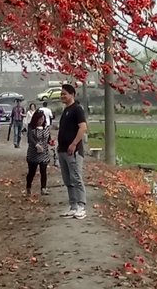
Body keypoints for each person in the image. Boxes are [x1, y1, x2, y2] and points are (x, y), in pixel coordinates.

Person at [57, 83, 87, 219]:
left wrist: (74, 144)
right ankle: (73, 205)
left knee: (76, 178)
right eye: (61, 94)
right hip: (62, 150)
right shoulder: (66, 110)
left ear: (72, 95)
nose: (62, 96)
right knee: (68, 179)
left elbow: (82, 128)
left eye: (65, 94)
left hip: (73, 151)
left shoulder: (77, 109)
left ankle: (81, 206)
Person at [25, 108, 51, 196]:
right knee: (32, 172)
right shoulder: (31, 127)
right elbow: (30, 138)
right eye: (39, 119)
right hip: (33, 153)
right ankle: (28, 187)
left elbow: (49, 139)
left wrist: (51, 142)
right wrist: (36, 145)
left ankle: (43, 188)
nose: (41, 121)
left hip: (44, 153)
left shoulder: (46, 128)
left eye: (42, 119)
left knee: (43, 170)